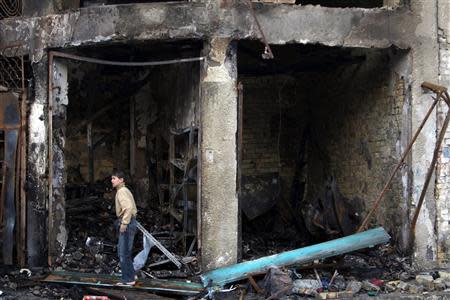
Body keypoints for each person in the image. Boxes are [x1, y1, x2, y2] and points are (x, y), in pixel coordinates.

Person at [111, 170, 138, 286]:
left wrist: (124, 224)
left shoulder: (121, 191)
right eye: (112, 179)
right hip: (131, 222)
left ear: (121, 180)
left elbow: (128, 207)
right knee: (126, 252)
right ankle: (131, 275)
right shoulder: (124, 190)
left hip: (127, 223)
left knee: (123, 253)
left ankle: (128, 279)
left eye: (114, 178)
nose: (112, 181)